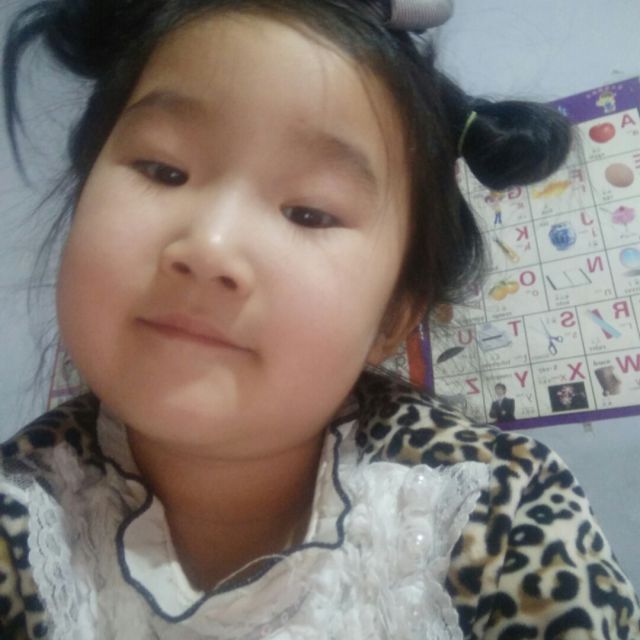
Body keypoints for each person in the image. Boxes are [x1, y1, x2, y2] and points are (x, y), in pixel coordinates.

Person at [1, 1, 638, 638]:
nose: (210, 247)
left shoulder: (501, 506)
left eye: (309, 212)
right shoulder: (16, 522)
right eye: (163, 171)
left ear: (393, 316)